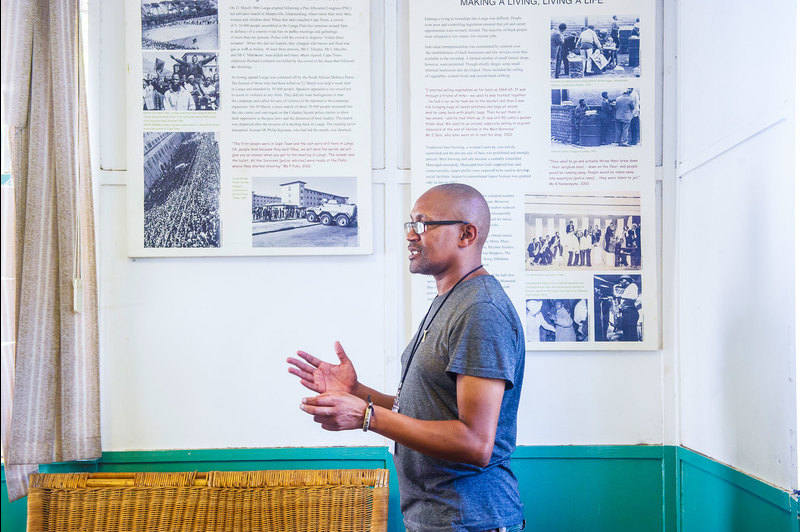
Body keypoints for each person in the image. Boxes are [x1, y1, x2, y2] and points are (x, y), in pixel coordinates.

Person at [288, 184, 526, 532]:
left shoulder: (481, 310)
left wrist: (368, 416)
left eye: (424, 224)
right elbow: (425, 408)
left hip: (471, 521)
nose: (411, 235)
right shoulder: (452, 299)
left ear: (466, 234)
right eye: (410, 224)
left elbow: (476, 442)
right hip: (439, 518)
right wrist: (357, 391)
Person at [616, 276, 640, 341]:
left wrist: (620, 296)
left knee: (631, 334)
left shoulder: (633, 286)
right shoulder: (628, 288)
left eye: (622, 280)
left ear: (627, 280)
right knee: (626, 333)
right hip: (627, 312)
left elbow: (634, 298)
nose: (620, 281)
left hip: (630, 312)